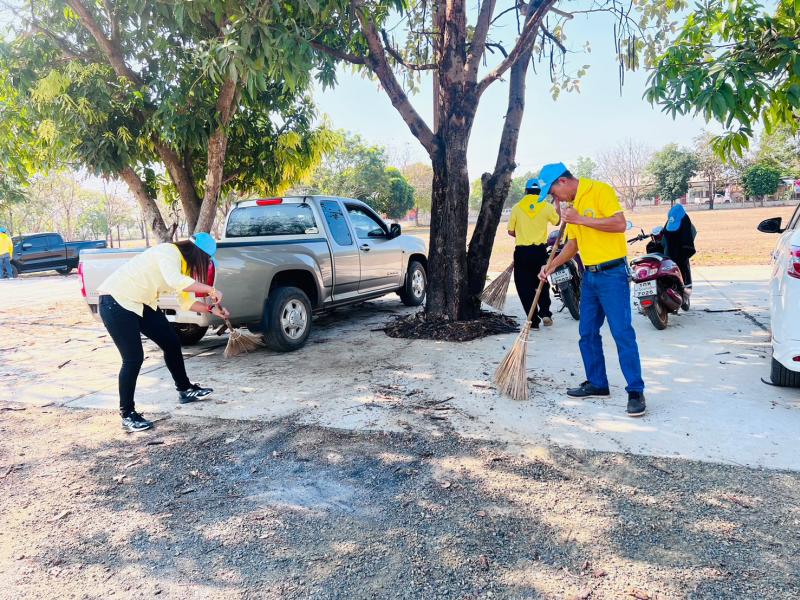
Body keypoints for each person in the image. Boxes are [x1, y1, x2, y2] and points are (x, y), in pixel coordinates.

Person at [537, 163, 646, 417]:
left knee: (622, 333)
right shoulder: (572, 206)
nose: (555, 199)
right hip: (590, 276)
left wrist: (580, 219)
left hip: (613, 274)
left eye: (553, 193)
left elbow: (619, 224)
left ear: (562, 181)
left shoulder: (599, 190)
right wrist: (551, 265)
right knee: (586, 332)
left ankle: (635, 391)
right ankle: (597, 383)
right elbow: (573, 245)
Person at [97, 233, 230, 432]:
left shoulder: (182, 266)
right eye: (206, 261)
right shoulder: (168, 252)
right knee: (133, 358)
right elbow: (175, 280)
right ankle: (127, 414)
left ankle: (185, 389)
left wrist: (211, 309)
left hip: (142, 302)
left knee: (171, 342)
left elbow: (185, 301)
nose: (205, 266)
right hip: (116, 301)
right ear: (198, 255)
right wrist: (210, 289)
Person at [507, 180, 560, 329]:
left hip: (522, 252)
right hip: (540, 251)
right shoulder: (546, 206)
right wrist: (557, 202)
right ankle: (545, 313)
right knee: (542, 281)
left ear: (526, 191)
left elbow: (510, 231)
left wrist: (522, 234)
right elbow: (557, 222)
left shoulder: (517, 208)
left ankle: (533, 320)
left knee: (524, 286)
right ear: (540, 192)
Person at [662, 203, 696, 297]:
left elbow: (689, 238)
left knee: (683, 271)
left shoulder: (686, 222)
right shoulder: (669, 224)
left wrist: (685, 250)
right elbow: (664, 238)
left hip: (681, 253)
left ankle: (684, 293)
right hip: (671, 252)